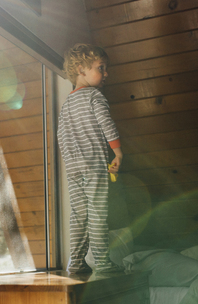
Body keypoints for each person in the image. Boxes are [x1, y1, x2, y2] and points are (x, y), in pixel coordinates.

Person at [58, 43, 123, 273]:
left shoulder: (67, 104)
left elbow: (61, 135)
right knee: (97, 214)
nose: (106, 74)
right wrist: (117, 151)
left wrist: (70, 164)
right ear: (80, 69)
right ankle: (103, 263)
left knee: (79, 215)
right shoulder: (94, 96)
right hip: (94, 166)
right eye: (101, 68)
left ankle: (75, 263)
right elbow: (107, 124)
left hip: (73, 169)